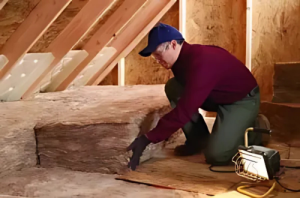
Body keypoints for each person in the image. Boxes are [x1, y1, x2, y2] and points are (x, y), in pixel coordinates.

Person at [127, 23, 269, 171]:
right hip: (216, 95)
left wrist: (148, 138)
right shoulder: (180, 60)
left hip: (241, 99)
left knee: (217, 156)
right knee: (174, 87)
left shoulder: (202, 62)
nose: (157, 60)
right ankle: (198, 141)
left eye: (157, 54)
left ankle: (258, 127)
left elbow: (185, 110)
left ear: (173, 44)